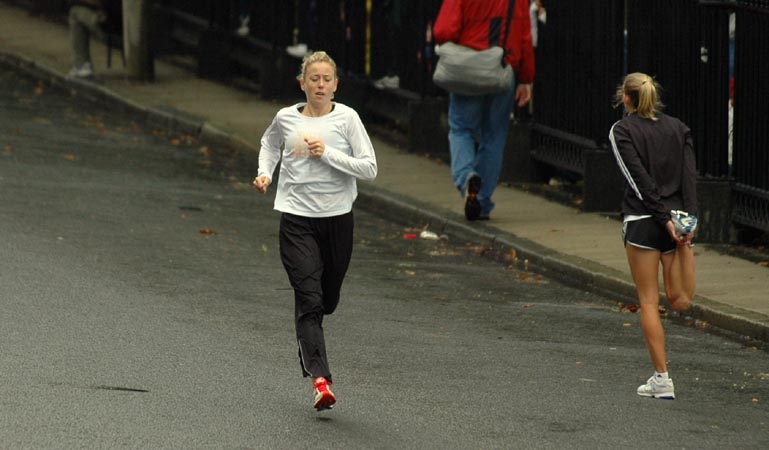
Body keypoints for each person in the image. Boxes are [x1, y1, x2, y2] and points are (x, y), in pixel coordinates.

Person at [253, 51, 377, 411]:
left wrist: (328, 154)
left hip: (338, 219)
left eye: (326, 79)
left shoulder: (347, 120)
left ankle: (311, 340)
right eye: (314, 79)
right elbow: (269, 144)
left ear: (336, 85)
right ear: (302, 83)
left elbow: (369, 168)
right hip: (296, 220)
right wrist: (266, 173)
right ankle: (321, 380)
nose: (320, 85)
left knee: (327, 300)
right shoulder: (285, 118)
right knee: (309, 299)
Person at [609, 73, 698, 400]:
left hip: (645, 222)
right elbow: (689, 177)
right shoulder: (679, 127)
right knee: (680, 300)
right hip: (676, 223)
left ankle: (662, 378)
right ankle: (687, 245)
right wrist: (687, 221)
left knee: (648, 300)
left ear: (626, 99)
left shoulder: (622, 131)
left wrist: (662, 219)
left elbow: (639, 181)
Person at [433, 0, 535, 221]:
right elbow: (524, 36)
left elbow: (444, 30)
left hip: (468, 68)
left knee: (461, 129)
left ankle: (466, 177)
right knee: (494, 137)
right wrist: (526, 78)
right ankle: (482, 201)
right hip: (501, 69)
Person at [67, 0, 107, 78]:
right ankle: (82, 65)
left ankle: (82, 65)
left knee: (75, 12)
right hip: (104, 16)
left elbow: (99, 3)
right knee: (76, 12)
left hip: (106, 20)